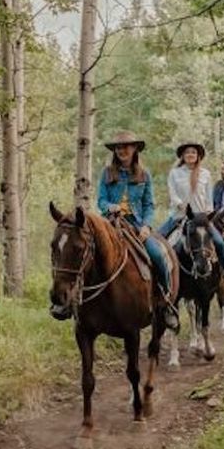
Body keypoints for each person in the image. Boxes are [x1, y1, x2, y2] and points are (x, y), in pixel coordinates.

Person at [96, 130, 179, 332]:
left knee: (158, 254)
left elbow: (149, 204)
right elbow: (101, 200)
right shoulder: (107, 173)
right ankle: (81, 303)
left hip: (136, 223)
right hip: (111, 223)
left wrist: (146, 226)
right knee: (88, 252)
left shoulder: (144, 174)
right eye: (118, 147)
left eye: (126, 147)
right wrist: (110, 207)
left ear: (134, 149)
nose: (122, 151)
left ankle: (166, 301)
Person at [157, 142, 224, 302]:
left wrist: (208, 212)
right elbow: (172, 194)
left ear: (198, 156)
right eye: (187, 152)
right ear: (182, 156)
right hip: (179, 215)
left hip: (201, 217)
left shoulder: (205, 174)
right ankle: (160, 284)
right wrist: (181, 204)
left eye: (193, 152)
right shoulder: (175, 173)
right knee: (158, 240)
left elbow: (208, 198)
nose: (190, 155)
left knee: (220, 243)